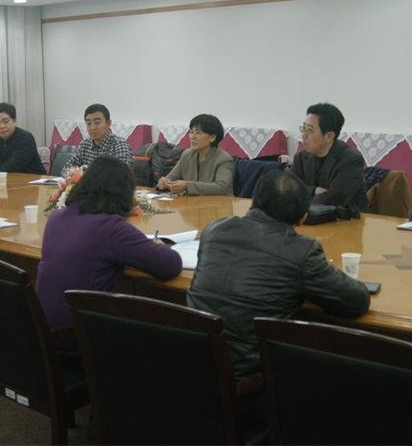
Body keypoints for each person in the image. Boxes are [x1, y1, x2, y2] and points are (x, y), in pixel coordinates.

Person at [187, 170, 370, 378]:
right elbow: (356, 303)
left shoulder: (214, 229)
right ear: (303, 217)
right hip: (251, 376)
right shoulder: (302, 250)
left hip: (192, 364)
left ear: (253, 202)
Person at [36, 156, 182, 341]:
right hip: (81, 336)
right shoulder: (110, 227)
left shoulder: (56, 217)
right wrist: (158, 245)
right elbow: (169, 266)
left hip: (43, 331)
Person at [290, 103, 367, 215]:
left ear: (329, 136)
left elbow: (333, 200)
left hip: (344, 220)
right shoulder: (300, 157)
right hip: (305, 218)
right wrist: (314, 190)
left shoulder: (351, 160)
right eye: (304, 128)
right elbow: (289, 190)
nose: (303, 135)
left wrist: (298, 201)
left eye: (310, 130)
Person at [156, 114, 233, 195]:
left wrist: (187, 186)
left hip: (220, 202)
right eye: (191, 132)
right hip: (192, 202)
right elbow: (171, 178)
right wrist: (164, 182)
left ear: (212, 137)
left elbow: (221, 187)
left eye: (198, 133)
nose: (192, 137)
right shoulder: (187, 154)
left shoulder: (224, 159)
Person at [0, 102, 46, 174]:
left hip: (34, 179)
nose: (2, 126)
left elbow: (13, 167)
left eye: (5, 121)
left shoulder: (25, 138)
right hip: (4, 180)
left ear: (14, 120)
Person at [61, 103, 133, 174]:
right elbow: (66, 169)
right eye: (89, 123)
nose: (93, 128)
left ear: (108, 123)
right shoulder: (85, 144)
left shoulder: (120, 145)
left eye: (97, 122)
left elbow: (122, 175)